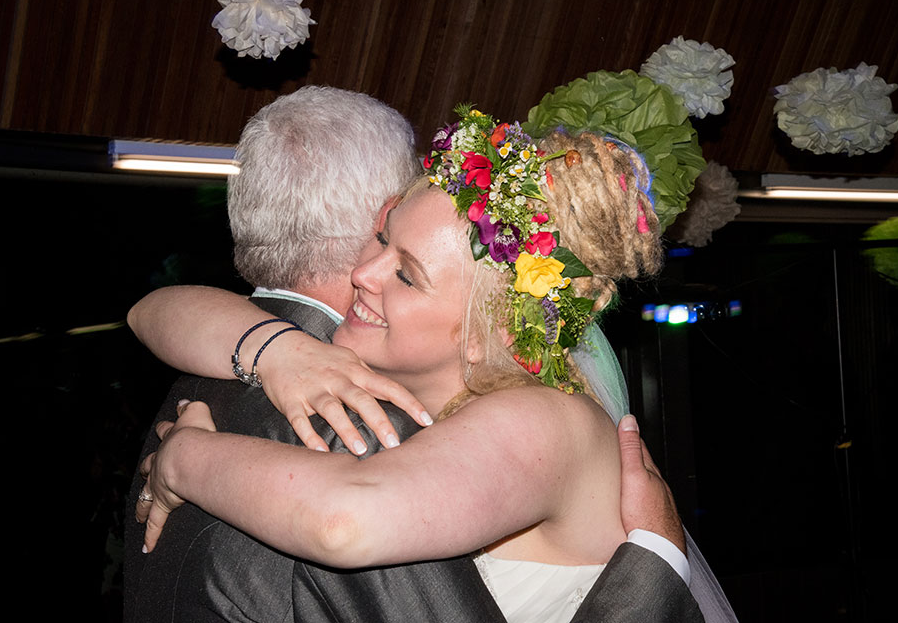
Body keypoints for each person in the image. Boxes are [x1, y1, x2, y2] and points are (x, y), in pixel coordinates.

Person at [126, 90, 710, 622]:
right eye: (382, 238)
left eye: (406, 274)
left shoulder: (547, 418)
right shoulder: (386, 374)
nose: (363, 272)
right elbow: (152, 312)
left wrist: (185, 458)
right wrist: (278, 351)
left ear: (490, 333)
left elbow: (343, 522)